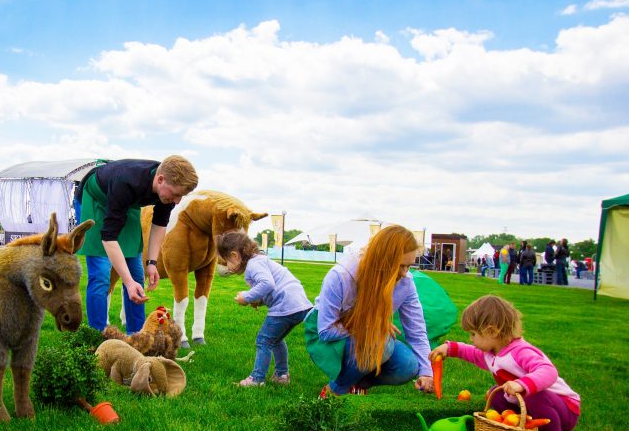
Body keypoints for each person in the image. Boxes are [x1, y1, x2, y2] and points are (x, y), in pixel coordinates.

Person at [429, 294, 580, 431]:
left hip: (564, 410)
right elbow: (471, 352)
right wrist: (449, 348)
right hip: (535, 405)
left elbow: (549, 371)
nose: (471, 339)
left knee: (533, 396)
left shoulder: (520, 352)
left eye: (473, 334)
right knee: (496, 393)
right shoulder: (492, 352)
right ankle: (521, 428)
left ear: (492, 331)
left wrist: (522, 384)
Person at [309, 224, 435, 395]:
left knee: (408, 365)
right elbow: (325, 331)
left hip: (365, 336)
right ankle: (335, 391)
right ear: (383, 260)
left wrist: (427, 372)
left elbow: (417, 331)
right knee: (381, 343)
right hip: (326, 338)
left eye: (409, 266)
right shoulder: (341, 276)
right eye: (400, 266)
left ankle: (355, 382)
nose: (405, 273)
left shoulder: (406, 283)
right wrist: (373, 325)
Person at [77, 156, 198, 333]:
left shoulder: (168, 193)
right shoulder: (126, 182)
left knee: (136, 274)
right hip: (96, 199)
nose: (177, 201)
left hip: (125, 205)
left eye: (181, 196)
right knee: (101, 273)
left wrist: (152, 262)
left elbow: (160, 224)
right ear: (160, 179)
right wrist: (128, 282)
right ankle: (98, 336)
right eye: (176, 194)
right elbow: (108, 237)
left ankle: (137, 337)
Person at [216, 230, 312, 387]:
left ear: (235, 255)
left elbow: (267, 284)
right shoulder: (259, 261)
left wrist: (247, 297)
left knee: (263, 340)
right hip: (298, 305)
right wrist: (258, 301)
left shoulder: (254, 264)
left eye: (227, 261)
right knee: (276, 339)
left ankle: (257, 378)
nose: (227, 266)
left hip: (285, 304)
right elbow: (270, 288)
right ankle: (281, 375)